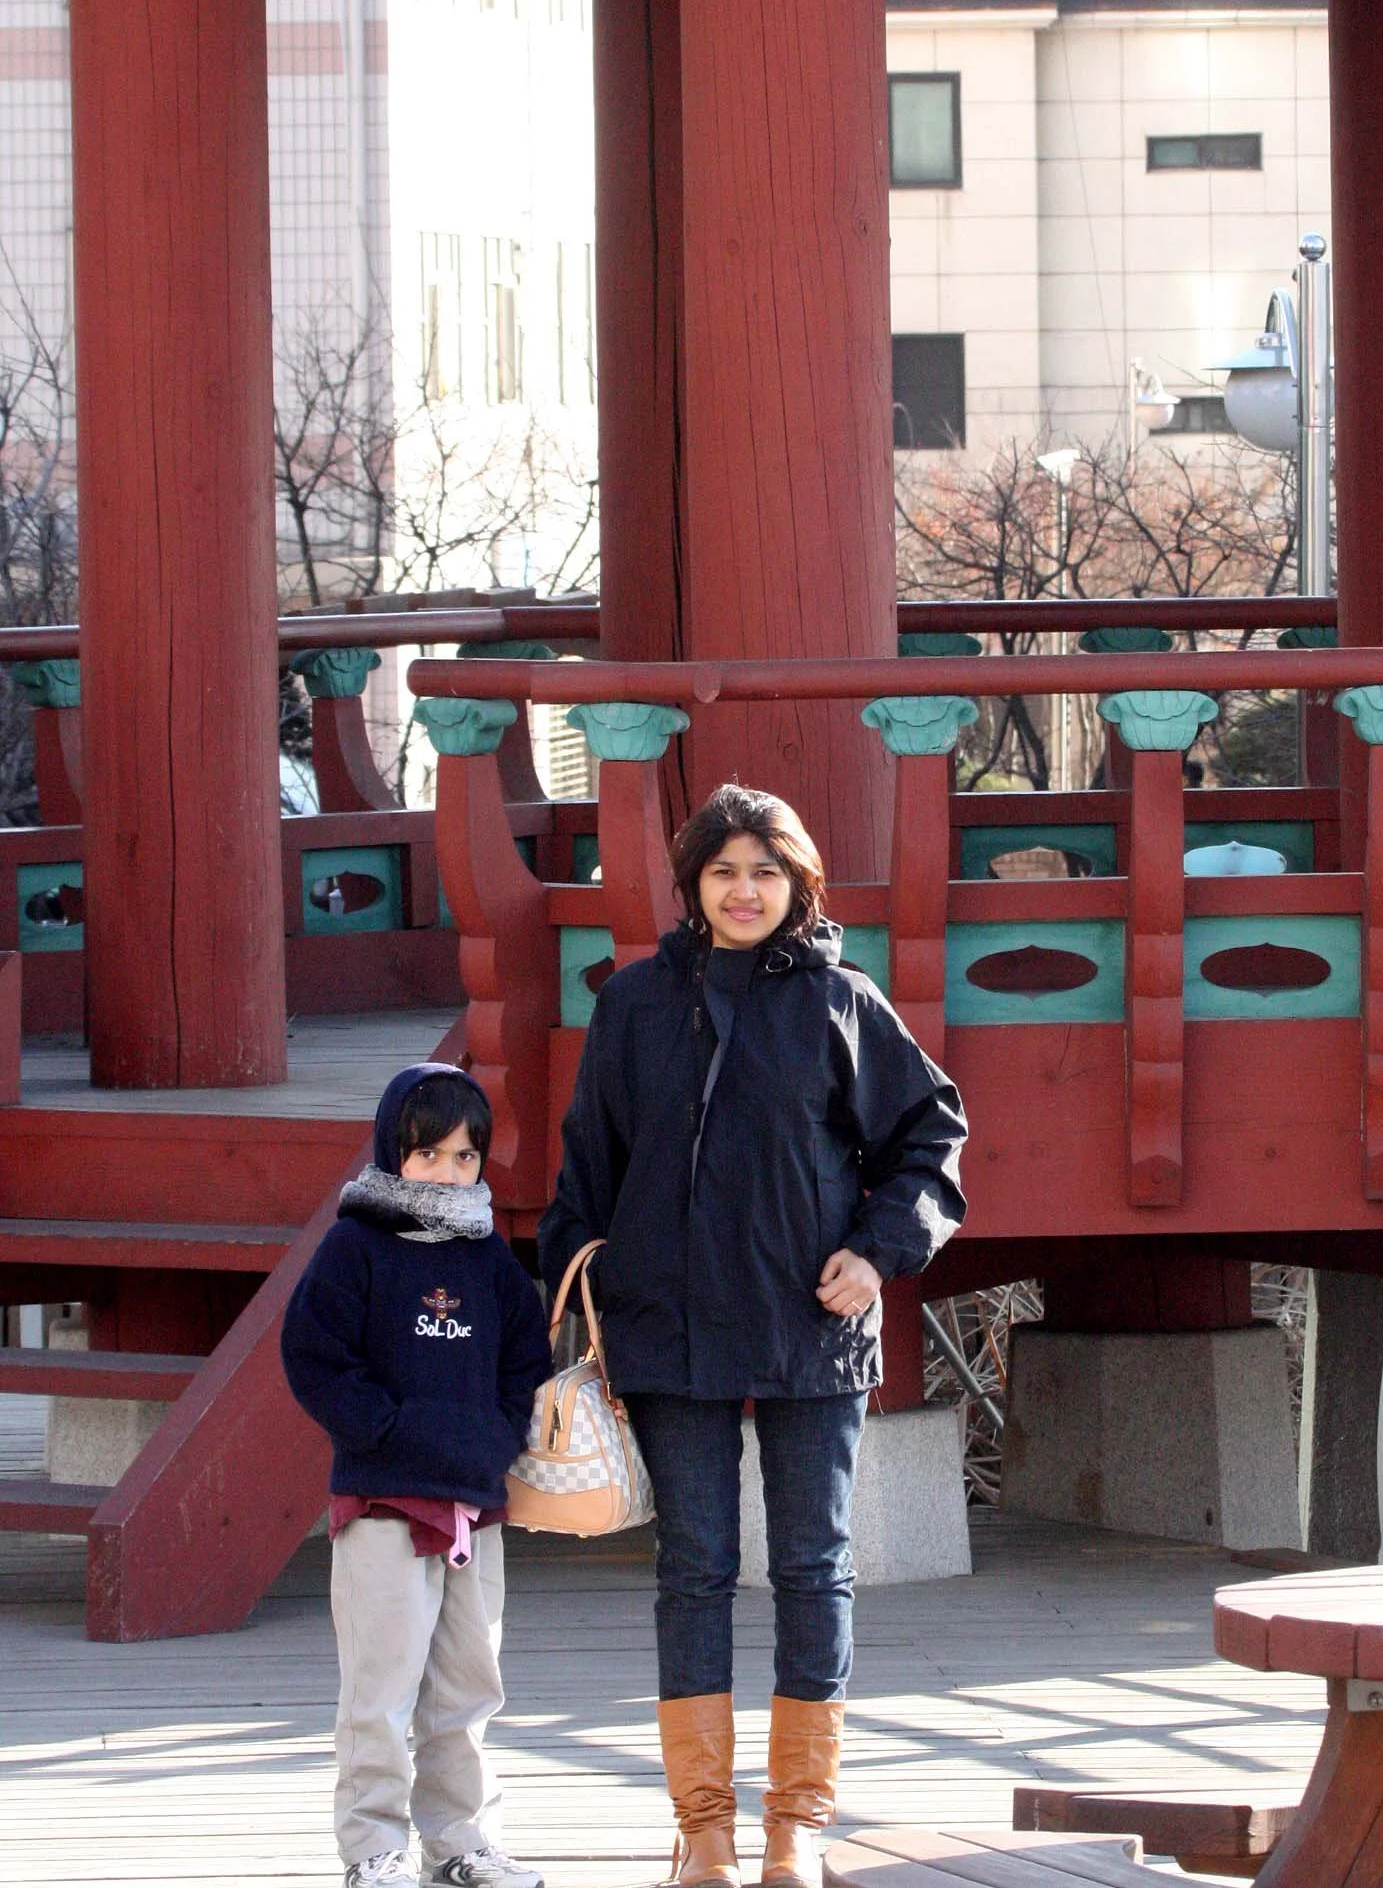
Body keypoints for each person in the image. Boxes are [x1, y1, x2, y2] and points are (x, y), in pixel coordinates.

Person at [540, 783, 968, 1888]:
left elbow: (930, 1139)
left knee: (813, 1565)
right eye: (723, 872)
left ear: (799, 883)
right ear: (691, 886)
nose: (743, 892)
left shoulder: (841, 1000)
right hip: (665, 1325)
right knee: (689, 1569)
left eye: (764, 872)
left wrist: (876, 1250)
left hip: (807, 1321)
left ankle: (795, 1826)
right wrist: (590, 1273)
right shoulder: (632, 1003)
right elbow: (585, 1168)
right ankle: (703, 1830)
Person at [282, 1063, 552, 1888]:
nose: (447, 1171)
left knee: (470, 1685)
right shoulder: (353, 1245)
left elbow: (524, 1357)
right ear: (392, 1150)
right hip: (383, 1504)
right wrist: (390, 1431)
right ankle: (374, 1848)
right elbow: (314, 1356)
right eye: (427, 1153)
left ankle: (462, 1840)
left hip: (473, 1500)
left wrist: (495, 1436)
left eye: (465, 1156)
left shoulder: (489, 1257)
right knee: (381, 1685)